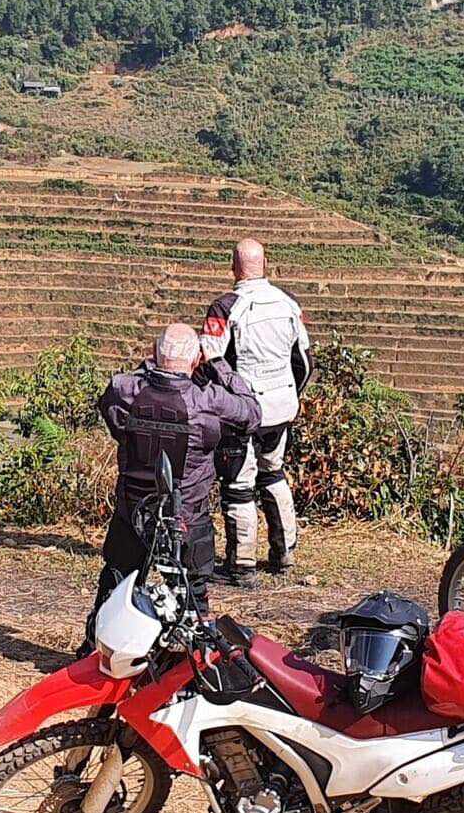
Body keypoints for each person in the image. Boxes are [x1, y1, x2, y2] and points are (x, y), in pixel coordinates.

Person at [87, 322, 261, 646]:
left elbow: (110, 408)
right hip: (187, 518)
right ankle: (195, 654)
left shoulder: (125, 390)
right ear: (196, 359)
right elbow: (252, 413)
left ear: (155, 353)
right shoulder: (207, 400)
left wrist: (150, 366)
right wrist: (218, 363)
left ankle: (94, 648)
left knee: (116, 579)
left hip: (133, 512)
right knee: (194, 592)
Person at [201, 238, 313, 584]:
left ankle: (242, 564)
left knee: (239, 484)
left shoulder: (225, 307)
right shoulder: (289, 303)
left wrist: (228, 401)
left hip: (244, 411)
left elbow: (211, 359)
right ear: (266, 264)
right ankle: (284, 554)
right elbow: (304, 361)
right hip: (282, 407)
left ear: (234, 267)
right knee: (274, 473)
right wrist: (292, 396)